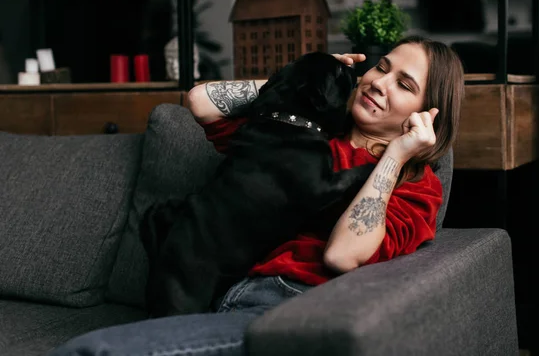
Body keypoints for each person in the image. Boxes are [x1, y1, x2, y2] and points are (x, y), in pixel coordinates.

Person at [47, 35, 464, 356]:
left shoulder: (415, 184)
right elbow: (200, 101)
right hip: (217, 293)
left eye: (403, 84)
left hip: (287, 310)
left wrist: (395, 155)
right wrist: (303, 75)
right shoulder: (302, 127)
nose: (377, 82)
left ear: (426, 113)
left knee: (91, 351)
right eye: (381, 67)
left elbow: (343, 254)